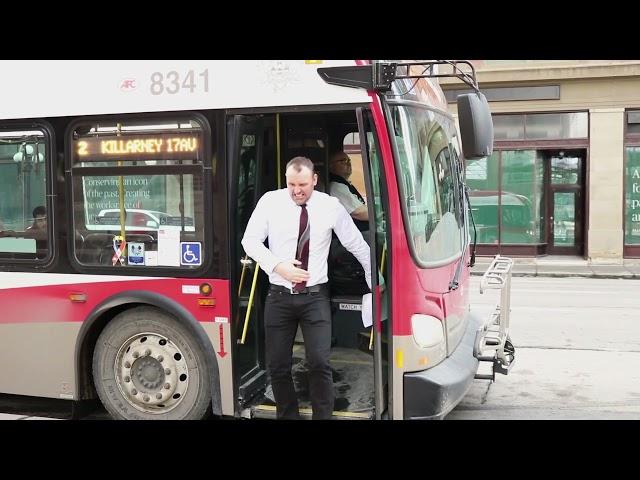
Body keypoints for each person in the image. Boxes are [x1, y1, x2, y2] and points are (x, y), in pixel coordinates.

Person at [241, 156, 371, 420]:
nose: (296, 191)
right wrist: (279, 266)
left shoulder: (331, 206)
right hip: (279, 296)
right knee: (277, 366)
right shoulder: (270, 202)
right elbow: (250, 241)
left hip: (315, 297)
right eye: (291, 184)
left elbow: (357, 245)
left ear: (314, 180)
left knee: (320, 364)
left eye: (302, 184)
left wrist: (376, 283)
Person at [329, 151, 368, 231]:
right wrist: (379, 213)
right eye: (343, 161)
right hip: (356, 233)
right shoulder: (336, 186)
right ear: (331, 166)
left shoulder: (344, 184)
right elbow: (359, 213)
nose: (348, 164)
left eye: (349, 160)